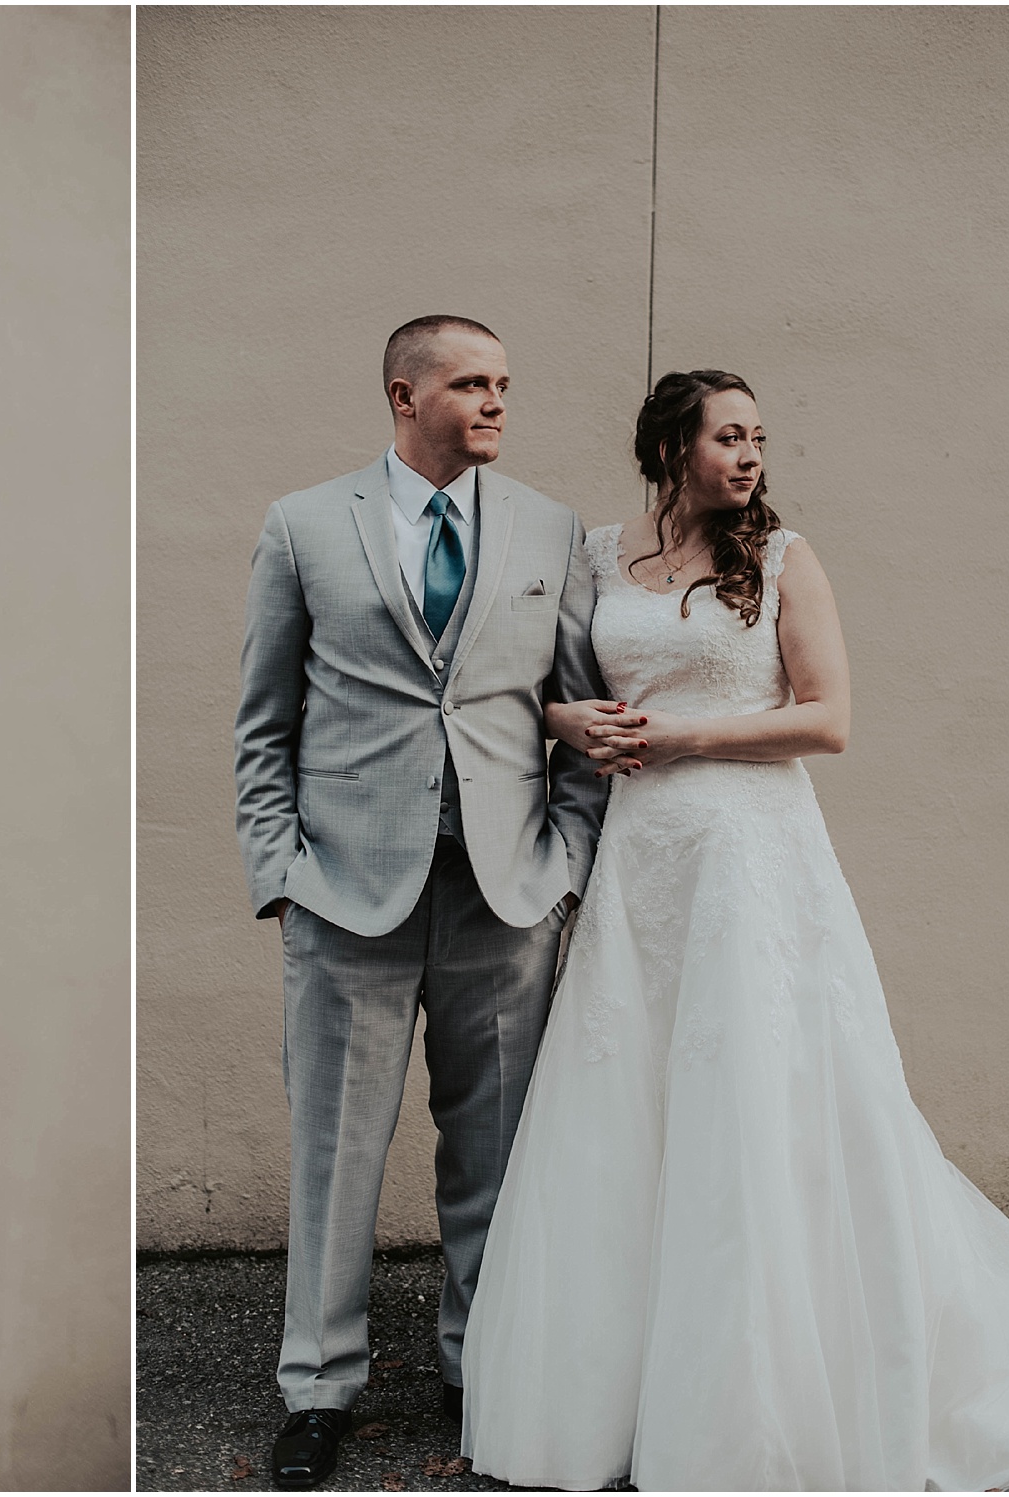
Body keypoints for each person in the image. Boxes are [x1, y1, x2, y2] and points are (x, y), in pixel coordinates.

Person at [460, 369, 1009, 1491]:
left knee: (761, 1094)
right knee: (629, 1096)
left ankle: (763, 1402)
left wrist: (682, 740)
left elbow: (827, 720)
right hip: (641, 867)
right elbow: (539, 688)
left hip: (752, 857)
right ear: (670, 444)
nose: (749, 455)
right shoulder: (588, 553)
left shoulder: (779, 559)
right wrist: (573, 723)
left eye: (758, 437)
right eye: (727, 436)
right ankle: (617, 1390)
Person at [232, 315, 611, 1488]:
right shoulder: (303, 525)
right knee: (334, 1153)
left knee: (491, 1151)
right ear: (405, 394)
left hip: (505, 895)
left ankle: (478, 1366)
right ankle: (317, 1385)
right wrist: (280, 877)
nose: (495, 401)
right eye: (469, 383)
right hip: (346, 895)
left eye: (503, 384)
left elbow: (579, 716)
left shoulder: (551, 529)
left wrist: (566, 866)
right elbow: (262, 724)